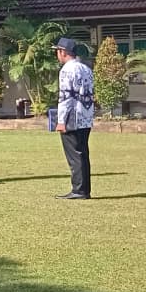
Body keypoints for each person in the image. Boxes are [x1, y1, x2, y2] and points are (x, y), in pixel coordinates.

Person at [53, 37, 94, 200]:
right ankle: (84, 189)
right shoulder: (86, 68)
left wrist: (61, 120)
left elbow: (65, 97)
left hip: (72, 117)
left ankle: (79, 190)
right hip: (86, 115)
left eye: (57, 51)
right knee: (82, 153)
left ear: (63, 52)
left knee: (74, 155)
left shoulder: (66, 70)